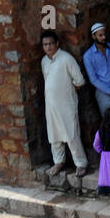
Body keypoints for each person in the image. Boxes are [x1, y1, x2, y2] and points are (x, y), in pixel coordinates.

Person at [39, 30, 87, 178]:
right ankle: (59, 161)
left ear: (57, 43)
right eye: (45, 44)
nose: (48, 47)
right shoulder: (44, 61)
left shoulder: (66, 59)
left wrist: (68, 94)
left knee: (71, 135)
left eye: (51, 43)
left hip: (66, 105)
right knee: (54, 135)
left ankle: (81, 164)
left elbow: (79, 81)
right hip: (51, 106)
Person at [82, 22, 110, 135]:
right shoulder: (88, 56)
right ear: (93, 36)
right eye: (100, 35)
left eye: (104, 34)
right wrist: (109, 91)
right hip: (103, 93)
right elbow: (93, 79)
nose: (104, 37)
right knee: (109, 124)